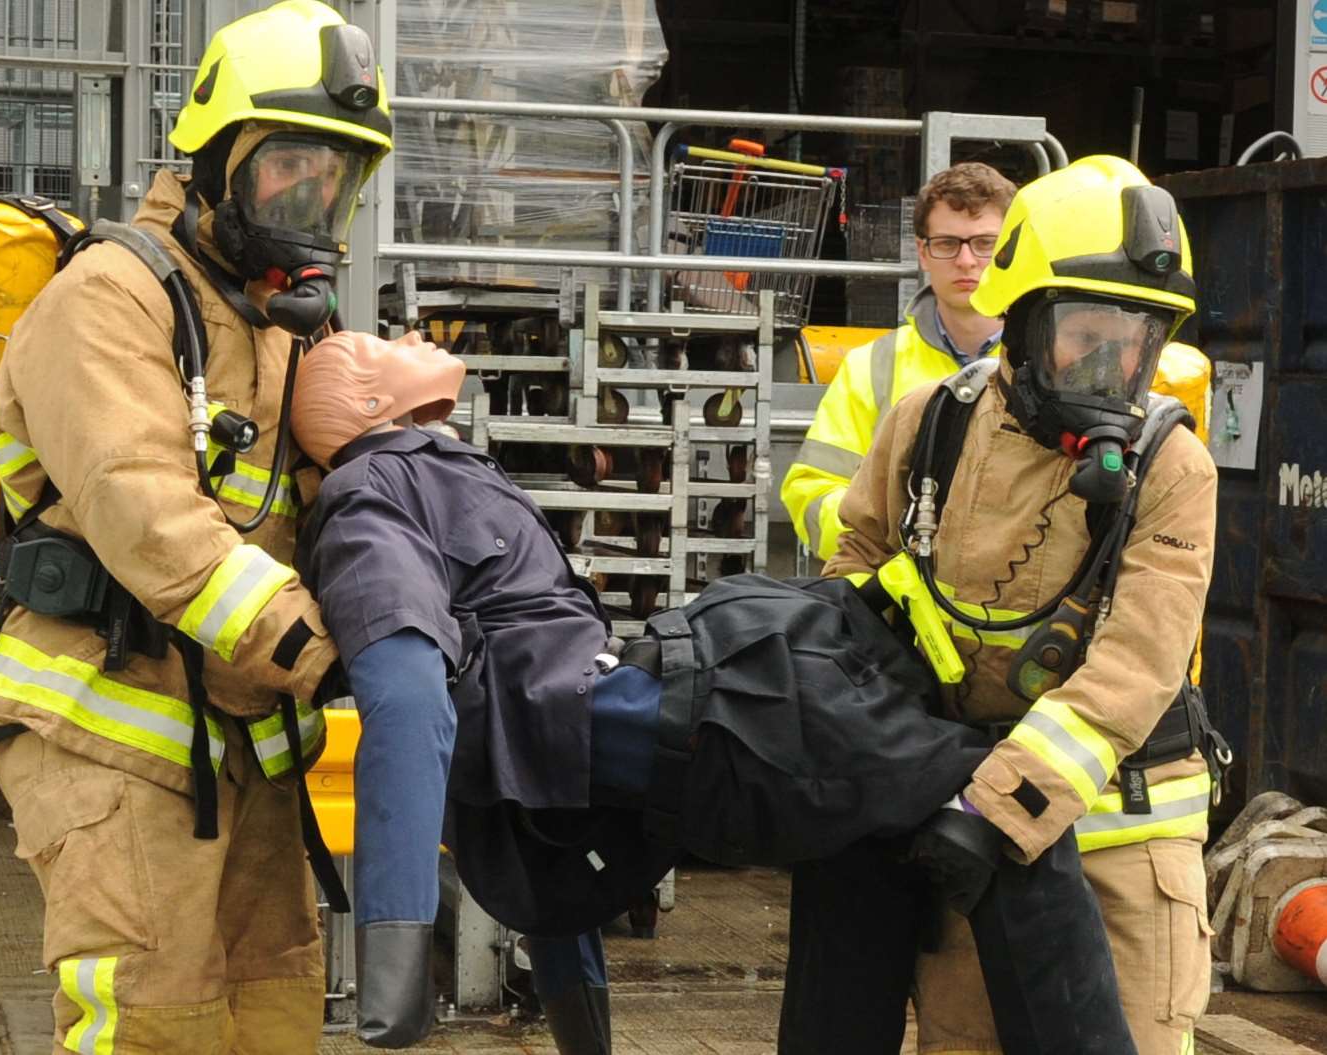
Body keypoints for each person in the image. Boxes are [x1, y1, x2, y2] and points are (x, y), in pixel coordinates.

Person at [291, 330, 1140, 1055]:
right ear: (365, 403)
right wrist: (392, 973)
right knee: (992, 797)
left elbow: (548, 839)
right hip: (675, 716)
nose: (408, 340)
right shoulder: (367, 498)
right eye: (380, 345)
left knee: (871, 834)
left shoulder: (431, 468)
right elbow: (406, 699)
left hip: (646, 700)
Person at [0, 3, 394, 1051]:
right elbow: (148, 511)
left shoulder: (278, 319)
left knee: (273, 1006)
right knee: (155, 1021)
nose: (309, 194)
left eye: (334, 174)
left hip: (243, 736)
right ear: (212, 158)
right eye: (287, 161)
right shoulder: (109, 301)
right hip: (111, 726)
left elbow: (332, 500)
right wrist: (325, 649)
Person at [818, 155, 1218, 1055]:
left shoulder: (1173, 465)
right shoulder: (928, 422)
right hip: (960, 826)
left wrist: (993, 808)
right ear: (1023, 314)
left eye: (1139, 334)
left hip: (1123, 842)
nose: (1112, 359)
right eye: (1085, 328)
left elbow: (1138, 661)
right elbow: (857, 564)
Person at [781, 161, 1016, 562]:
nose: (965, 261)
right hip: (891, 602)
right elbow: (811, 493)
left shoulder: (1052, 362)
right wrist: (897, 535)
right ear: (923, 253)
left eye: (985, 244)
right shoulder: (871, 366)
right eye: (946, 244)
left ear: (1012, 250)